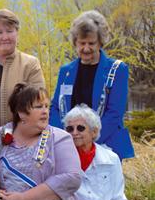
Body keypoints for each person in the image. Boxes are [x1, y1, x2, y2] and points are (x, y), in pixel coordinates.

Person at [50, 10, 134, 160]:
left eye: (91, 43)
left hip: (105, 147)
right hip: (69, 148)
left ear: (101, 42)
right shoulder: (66, 71)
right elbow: (55, 107)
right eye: (82, 43)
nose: (86, 48)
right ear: (75, 42)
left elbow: (115, 113)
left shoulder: (117, 70)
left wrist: (88, 141)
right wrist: (64, 138)